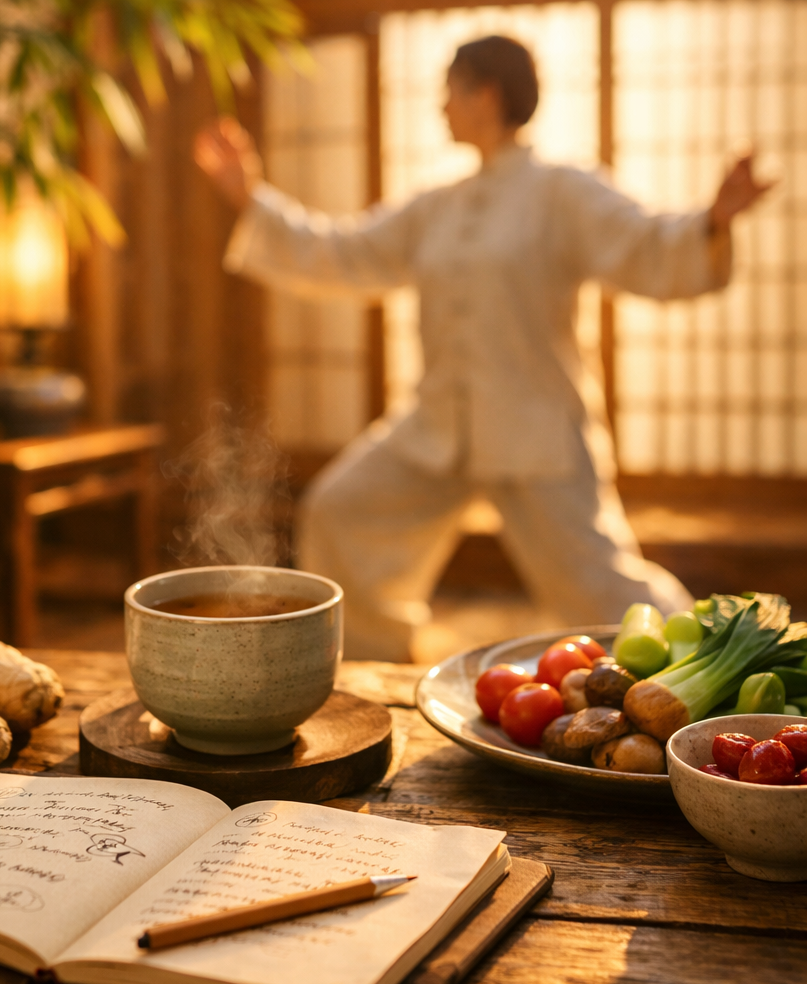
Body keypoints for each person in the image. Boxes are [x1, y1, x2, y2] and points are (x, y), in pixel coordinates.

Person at [194, 35, 773, 662]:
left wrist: (712, 222)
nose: (441, 106)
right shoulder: (437, 207)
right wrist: (249, 195)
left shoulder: (562, 191)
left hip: (534, 431)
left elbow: (646, 245)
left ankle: (710, 666)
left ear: (485, 94)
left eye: (450, 89)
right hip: (436, 428)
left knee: (603, 586)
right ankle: (370, 665)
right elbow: (345, 252)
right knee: (341, 511)